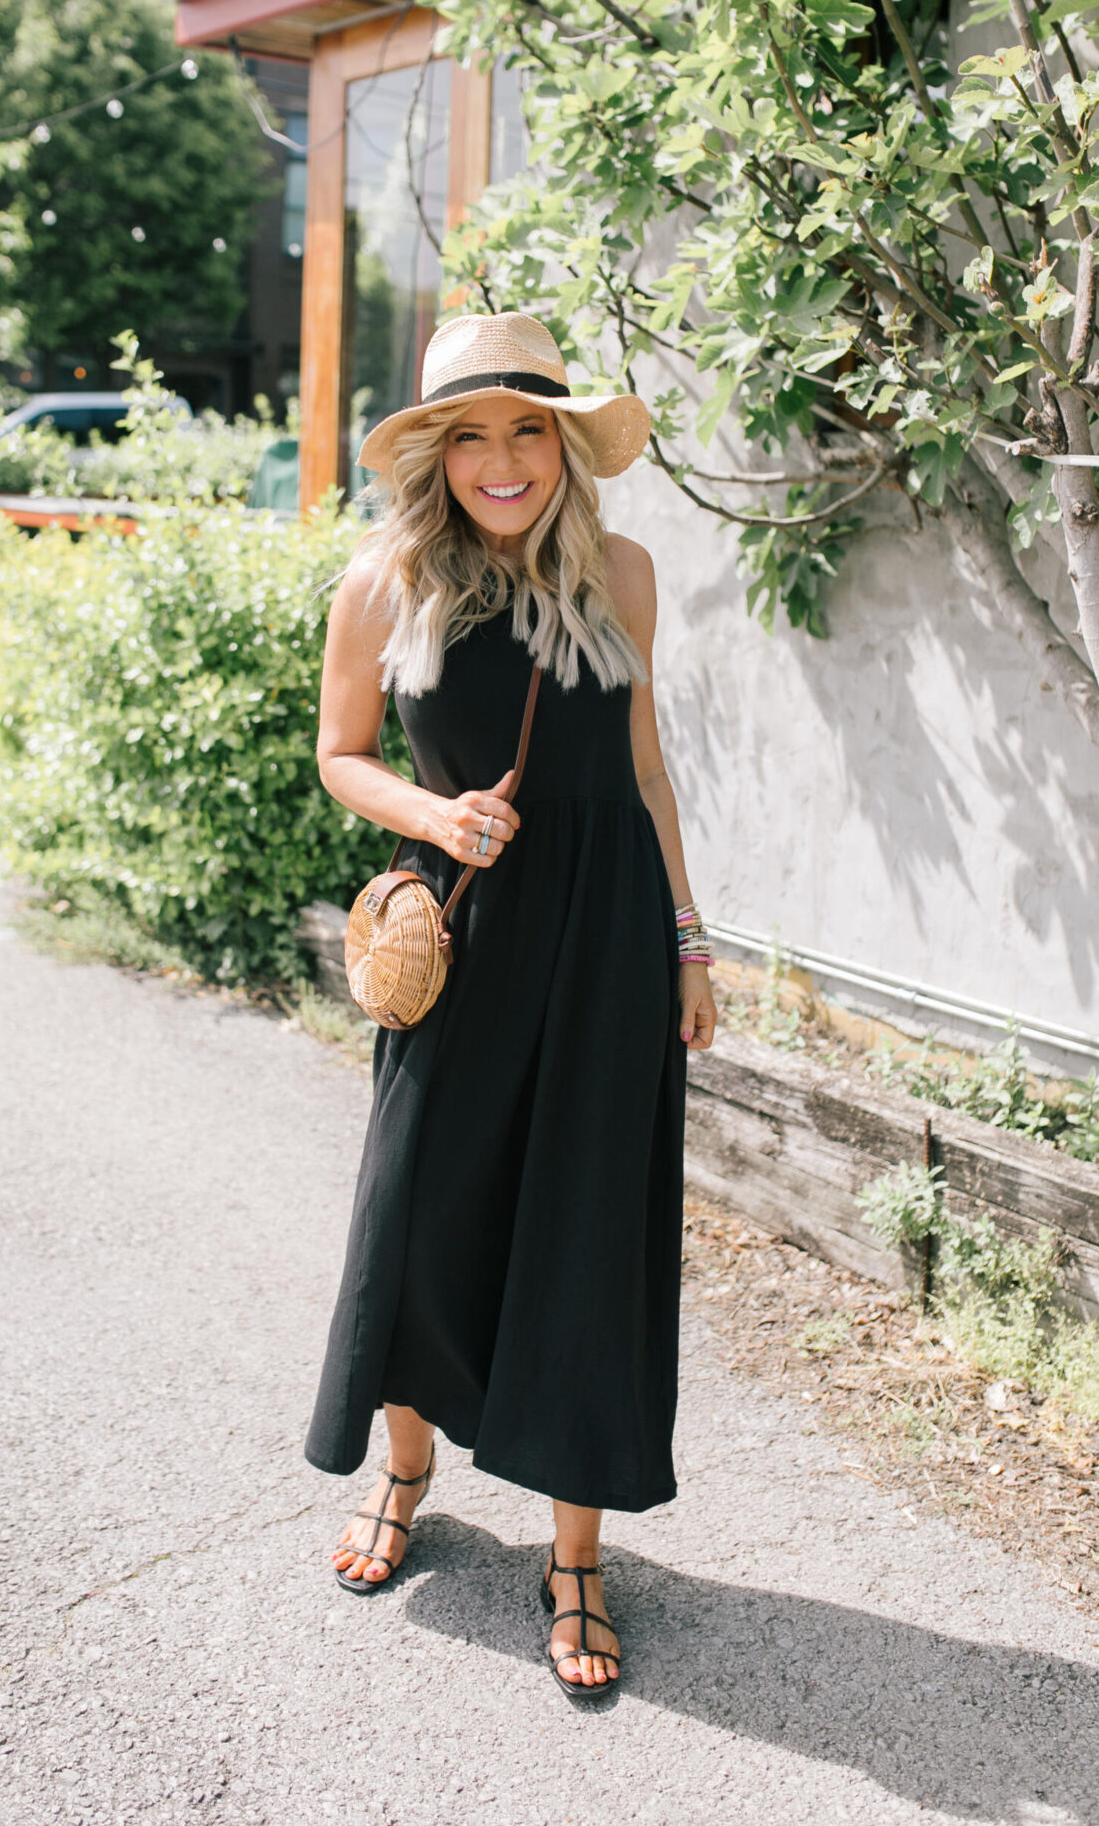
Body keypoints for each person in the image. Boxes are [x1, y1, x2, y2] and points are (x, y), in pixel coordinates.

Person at [305, 311, 717, 1701]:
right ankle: (405, 1472)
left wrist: (689, 940)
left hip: (608, 942)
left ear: (562, 445)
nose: (502, 461)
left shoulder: (625, 574)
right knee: (421, 1214)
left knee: (589, 1237)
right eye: (470, 436)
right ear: (434, 455)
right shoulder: (384, 582)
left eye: (527, 431)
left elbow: (646, 770)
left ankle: (577, 1556)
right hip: (464, 938)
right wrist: (435, 815)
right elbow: (342, 754)